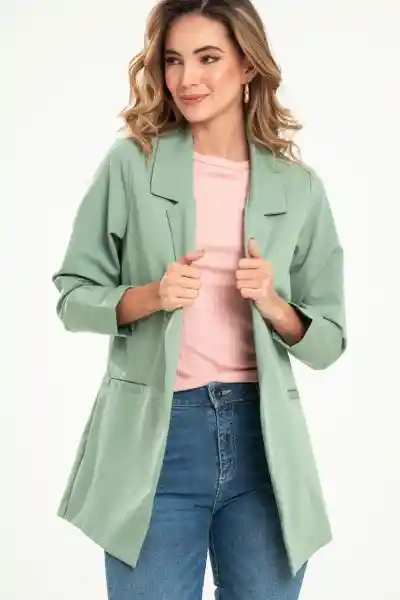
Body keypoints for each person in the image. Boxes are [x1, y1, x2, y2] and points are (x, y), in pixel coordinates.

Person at [52, 0, 347, 598]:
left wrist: (274, 304)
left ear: (248, 65)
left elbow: (329, 343)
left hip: (265, 443)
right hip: (156, 442)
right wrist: (152, 295)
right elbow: (72, 296)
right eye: (173, 60)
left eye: (208, 58)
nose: (187, 78)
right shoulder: (132, 164)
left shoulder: (299, 188)